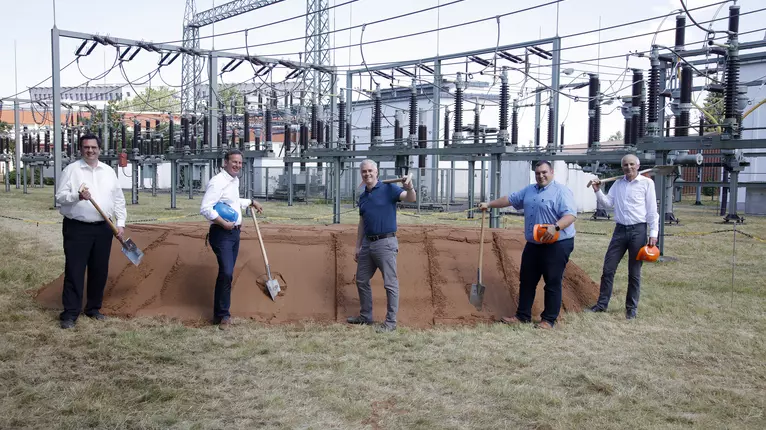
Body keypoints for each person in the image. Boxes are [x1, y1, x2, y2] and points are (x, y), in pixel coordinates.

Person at [479, 160, 577, 329]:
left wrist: (555, 227)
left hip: (557, 243)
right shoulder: (529, 190)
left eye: (544, 172)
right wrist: (489, 204)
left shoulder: (561, 191)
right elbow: (509, 199)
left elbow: (570, 215)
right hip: (534, 243)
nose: (541, 176)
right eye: (538, 173)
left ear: (552, 172)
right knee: (527, 280)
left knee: (552, 281)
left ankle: (548, 320)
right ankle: (522, 315)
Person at [55, 134, 127, 329]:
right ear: (81, 149)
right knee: (75, 270)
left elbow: (118, 199)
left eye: (93, 147)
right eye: (86, 147)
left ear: (99, 149)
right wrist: (77, 196)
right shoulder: (71, 170)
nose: (90, 151)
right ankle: (70, 313)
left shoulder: (109, 171)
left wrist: (120, 224)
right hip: (77, 228)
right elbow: (60, 198)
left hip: (103, 227)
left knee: (99, 270)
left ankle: (93, 308)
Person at [346, 160, 416, 333]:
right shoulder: (363, 197)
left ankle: (390, 323)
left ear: (376, 172)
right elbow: (362, 223)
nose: (367, 174)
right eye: (364, 171)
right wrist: (358, 246)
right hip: (368, 244)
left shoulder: (389, 189)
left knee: (390, 284)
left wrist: (409, 187)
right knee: (361, 280)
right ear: (361, 174)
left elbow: (411, 199)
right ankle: (366, 316)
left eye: (370, 170)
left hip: (386, 243)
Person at [588, 154, 659, 319]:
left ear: (638, 165)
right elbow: (607, 203)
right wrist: (598, 191)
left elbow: (652, 211)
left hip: (638, 231)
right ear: (622, 168)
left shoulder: (647, 184)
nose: (629, 167)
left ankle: (631, 309)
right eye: (626, 165)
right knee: (608, 269)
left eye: (632, 164)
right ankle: (602, 305)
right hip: (619, 231)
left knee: (634, 272)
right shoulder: (618, 184)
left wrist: (653, 234)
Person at [200, 149, 263, 330]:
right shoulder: (217, 182)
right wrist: (222, 223)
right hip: (222, 233)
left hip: (234, 233)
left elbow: (232, 203)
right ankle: (224, 315)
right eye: (234, 162)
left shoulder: (234, 181)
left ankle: (218, 315)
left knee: (226, 273)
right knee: (227, 272)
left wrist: (250, 201)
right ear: (225, 162)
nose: (237, 165)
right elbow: (205, 208)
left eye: (240, 163)